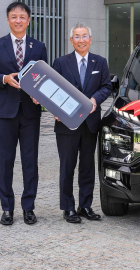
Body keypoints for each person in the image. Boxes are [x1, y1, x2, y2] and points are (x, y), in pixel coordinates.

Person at [0, 2, 47, 226]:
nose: (18, 20)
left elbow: (44, 78)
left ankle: (29, 208)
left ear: (29, 20)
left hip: (30, 113)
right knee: (5, 162)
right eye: (14, 16)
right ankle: (7, 208)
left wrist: (41, 95)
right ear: (8, 19)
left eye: (22, 16)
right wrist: (3, 79)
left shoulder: (39, 47)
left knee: (30, 162)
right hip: (5, 113)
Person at [53, 22, 112, 223]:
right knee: (67, 166)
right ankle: (68, 208)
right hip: (66, 124)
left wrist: (95, 99)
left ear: (90, 39)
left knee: (87, 167)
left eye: (84, 36)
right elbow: (52, 89)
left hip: (90, 123)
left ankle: (85, 205)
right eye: (77, 37)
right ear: (71, 41)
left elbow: (106, 87)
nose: (81, 40)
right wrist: (56, 109)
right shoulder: (60, 63)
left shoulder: (100, 62)